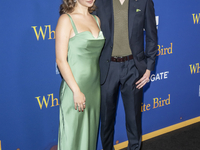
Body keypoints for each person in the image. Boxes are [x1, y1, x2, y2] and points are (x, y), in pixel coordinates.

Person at [93, 0, 158, 149]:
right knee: (106, 120)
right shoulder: (98, 2)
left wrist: (149, 68)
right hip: (107, 68)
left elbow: (152, 36)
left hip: (134, 68)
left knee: (134, 120)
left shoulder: (144, 2)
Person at [55, 0, 105, 149]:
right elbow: (61, 60)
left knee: (89, 134)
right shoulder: (66, 19)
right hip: (74, 87)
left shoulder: (96, 19)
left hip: (94, 87)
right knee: (72, 137)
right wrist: (76, 90)